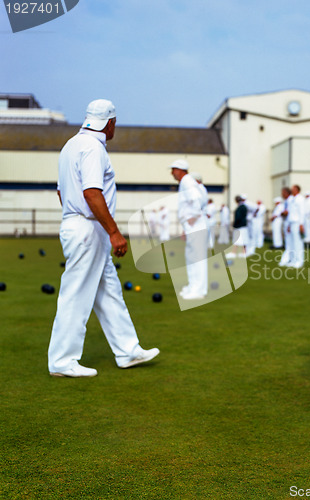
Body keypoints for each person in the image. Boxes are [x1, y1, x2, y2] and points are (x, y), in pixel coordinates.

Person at [48, 99, 160, 378]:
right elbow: (92, 193)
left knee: (108, 290)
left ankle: (127, 350)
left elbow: (63, 192)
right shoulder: (93, 148)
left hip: (80, 225)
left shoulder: (70, 145)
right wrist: (113, 231)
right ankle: (62, 361)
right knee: (75, 294)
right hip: (88, 228)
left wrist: (76, 219)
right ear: (110, 123)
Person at [171, 159, 208, 299]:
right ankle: (193, 286)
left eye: (173, 169)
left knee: (197, 258)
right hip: (192, 225)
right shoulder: (187, 182)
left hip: (195, 224)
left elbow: (198, 200)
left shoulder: (187, 181)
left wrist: (193, 216)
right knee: (192, 257)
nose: (172, 173)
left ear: (180, 170)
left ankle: (199, 290)